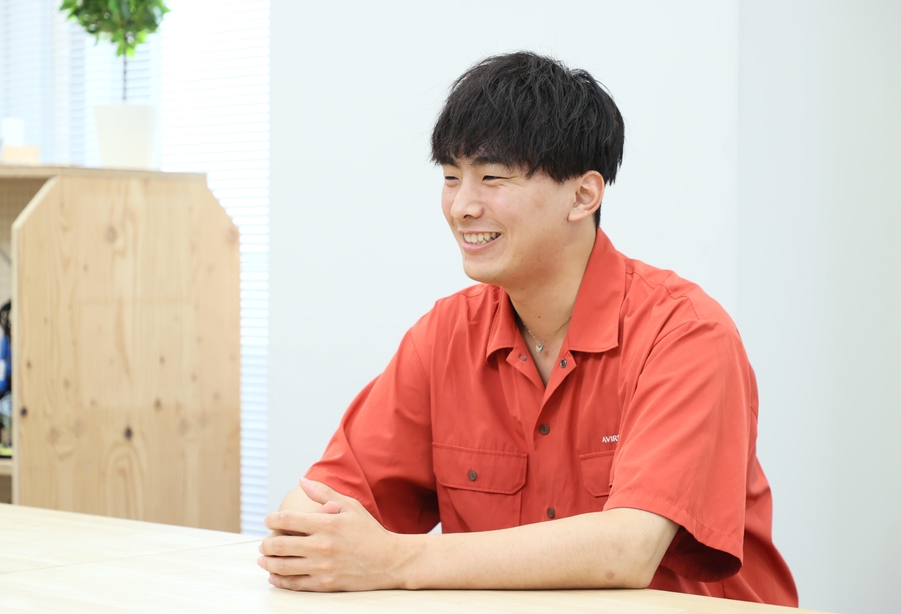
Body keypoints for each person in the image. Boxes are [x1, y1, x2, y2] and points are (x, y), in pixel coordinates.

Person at [258, 51, 798, 606]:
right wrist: (325, 544)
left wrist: (396, 561)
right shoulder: (445, 335)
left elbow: (626, 549)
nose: (462, 206)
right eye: (451, 177)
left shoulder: (685, 334)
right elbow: (310, 514)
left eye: (492, 178)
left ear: (583, 195)